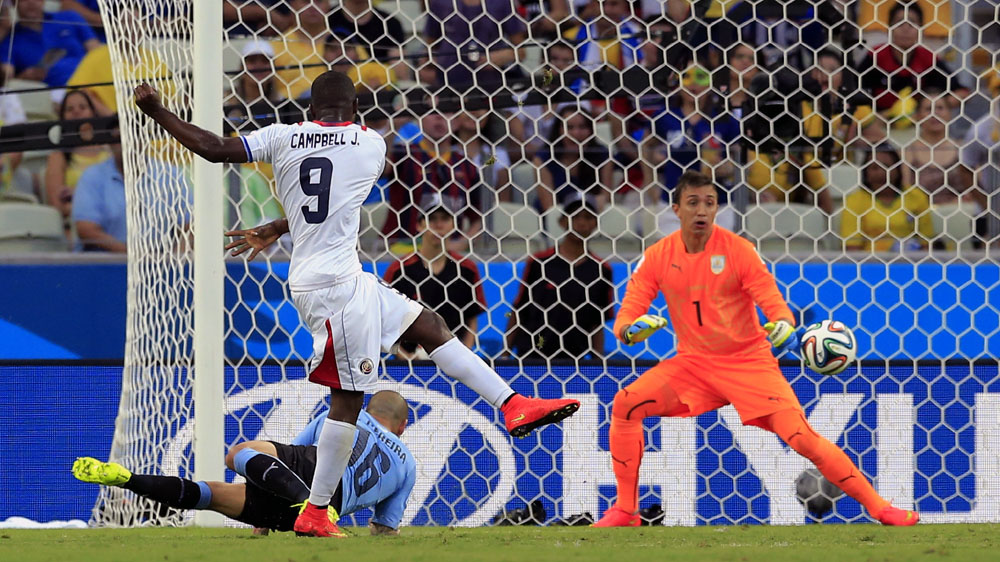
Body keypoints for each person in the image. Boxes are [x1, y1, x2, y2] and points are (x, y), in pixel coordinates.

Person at [133, 70, 579, 538]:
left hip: (340, 279)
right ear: (357, 110)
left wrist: (157, 111)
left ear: (309, 110)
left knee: (428, 326)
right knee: (347, 400)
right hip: (334, 287)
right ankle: (315, 511)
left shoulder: (281, 136)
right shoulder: (371, 144)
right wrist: (280, 226)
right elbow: (335, 200)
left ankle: (513, 403)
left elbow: (213, 149)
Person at [592, 170, 919, 527]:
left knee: (802, 439)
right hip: (693, 365)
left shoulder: (738, 250)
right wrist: (629, 331)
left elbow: (773, 301)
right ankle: (625, 510)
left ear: (717, 209)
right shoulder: (658, 255)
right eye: (693, 203)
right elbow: (628, 313)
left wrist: (784, 326)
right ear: (676, 210)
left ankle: (880, 508)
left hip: (749, 364)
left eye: (710, 203)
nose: (702, 210)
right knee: (626, 403)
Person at [74, 390, 417, 536]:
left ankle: (128, 479)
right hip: (327, 507)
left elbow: (288, 455)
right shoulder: (408, 466)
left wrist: (263, 520)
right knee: (212, 496)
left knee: (230, 463)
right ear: (402, 426)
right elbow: (384, 527)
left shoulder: (346, 416)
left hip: (309, 471)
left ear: (369, 409)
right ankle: (315, 511)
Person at [506, 195, 614, 360]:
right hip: (532, 357)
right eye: (575, 216)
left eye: (587, 217)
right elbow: (519, 310)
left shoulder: (602, 270)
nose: (581, 222)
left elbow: (597, 323)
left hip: (574, 361)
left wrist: (599, 365)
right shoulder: (539, 262)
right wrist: (504, 356)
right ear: (562, 221)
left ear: (596, 224)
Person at [384, 206, 487, 356]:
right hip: (410, 361)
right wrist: (406, 358)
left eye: (444, 219)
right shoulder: (399, 270)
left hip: (453, 358)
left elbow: (471, 318)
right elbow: (386, 320)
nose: (438, 225)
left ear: (454, 225)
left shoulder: (467, 269)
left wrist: (464, 356)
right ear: (419, 225)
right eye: (432, 219)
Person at [382, 110, 484, 254]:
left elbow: (480, 217)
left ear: (456, 122)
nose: (439, 117)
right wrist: (393, 128)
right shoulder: (403, 155)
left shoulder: (466, 165)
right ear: (420, 120)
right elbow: (380, 169)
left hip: (448, 253)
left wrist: (461, 244)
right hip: (403, 250)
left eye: (446, 112)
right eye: (432, 112)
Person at [840, 144, 933, 252]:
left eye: (887, 166)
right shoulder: (854, 201)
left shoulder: (916, 196)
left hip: (910, 259)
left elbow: (926, 244)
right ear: (865, 172)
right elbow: (852, 248)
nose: (881, 172)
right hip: (870, 260)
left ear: (898, 170)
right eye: (874, 167)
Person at [45, 90, 111, 225]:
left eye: (83, 107)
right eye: (70, 109)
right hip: (76, 225)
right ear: (62, 117)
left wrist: (78, 194)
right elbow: (58, 206)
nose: (76, 111)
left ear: (93, 112)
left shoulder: (110, 150)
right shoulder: (58, 156)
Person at [0, 0, 99, 89]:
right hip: (56, 91)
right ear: (13, 3)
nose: (31, 2)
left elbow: (96, 51)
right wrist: (23, 77)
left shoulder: (70, 17)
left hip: (92, 79)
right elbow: (6, 79)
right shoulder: (9, 40)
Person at [534, 106, 613, 212]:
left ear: (591, 130)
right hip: (554, 218)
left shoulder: (602, 155)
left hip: (591, 217)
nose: (576, 134)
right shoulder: (543, 158)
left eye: (582, 127)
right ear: (558, 130)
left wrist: (600, 201)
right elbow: (550, 207)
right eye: (569, 127)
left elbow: (606, 198)